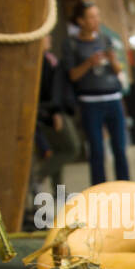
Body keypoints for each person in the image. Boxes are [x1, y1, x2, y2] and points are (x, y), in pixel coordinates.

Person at [66, 0, 129, 186]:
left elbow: (118, 70)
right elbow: (73, 75)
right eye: (91, 16)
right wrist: (89, 63)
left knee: (119, 147)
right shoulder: (71, 44)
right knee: (97, 150)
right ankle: (99, 190)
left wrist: (112, 60)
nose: (96, 20)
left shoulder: (105, 39)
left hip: (113, 99)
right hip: (89, 102)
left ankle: (125, 187)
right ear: (81, 21)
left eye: (97, 16)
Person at [32, 47, 80, 196]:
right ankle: (38, 175)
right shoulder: (41, 62)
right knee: (72, 148)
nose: (48, 38)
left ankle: (59, 192)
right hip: (51, 112)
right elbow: (49, 90)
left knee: (59, 150)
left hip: (56, 110)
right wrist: (55, 112)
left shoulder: (49, 58)